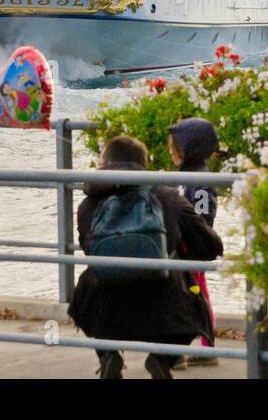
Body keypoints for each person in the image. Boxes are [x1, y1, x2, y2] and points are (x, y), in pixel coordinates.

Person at [68, 135, 223, 379]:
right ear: (143, 164)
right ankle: (162, 359)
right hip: (165, 309)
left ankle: (108, 354)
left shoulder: (88, 204)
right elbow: (211, 246)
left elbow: (88, 249)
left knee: (88, 281)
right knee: (194, 295)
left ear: (104, 163)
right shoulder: (169, 197)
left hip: (103, 308)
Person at [169, 118, 221, 368]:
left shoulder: (198, 181)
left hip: (191, 249)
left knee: (187, 297)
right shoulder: (188, 176)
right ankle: (203, 345)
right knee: (195, 296)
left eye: (175, 149)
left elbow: (201, 217)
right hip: (186, 247)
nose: (171, 153)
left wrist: (190, 241)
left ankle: (183, 349)